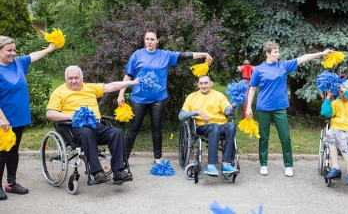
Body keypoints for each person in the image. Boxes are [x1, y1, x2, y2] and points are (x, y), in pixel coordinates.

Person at [118, 28, 212, 165]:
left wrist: (203, 54)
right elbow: (128, 75)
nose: (149, 42)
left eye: (152, 39)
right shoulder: (136, 55)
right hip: (138, 98)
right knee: (133, 130)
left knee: (157, 130)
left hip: (158, 98)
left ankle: (157, 158)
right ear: (144, 40)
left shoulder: (165, 55)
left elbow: (183, 55)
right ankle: (123, 159)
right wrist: (121, 93)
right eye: (147, 39)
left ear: (157, 41)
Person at [246, 41, 334, 177]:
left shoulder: (283, 66)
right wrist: (248, 108)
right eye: (275, 52)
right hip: (263, 107)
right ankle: (263, 164)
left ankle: (288, 166)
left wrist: (322, 53)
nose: (278, 54)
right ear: (267, 53)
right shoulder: (259, 69)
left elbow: (304, 58)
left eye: (278, 51)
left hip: (280, 107)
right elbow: (252, 88)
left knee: (285, 137)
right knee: (263, 137)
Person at [46, 66, 138, 184]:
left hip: (95, 125)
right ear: (65, 79)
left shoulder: (90, 87)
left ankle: (119, 171)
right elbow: (50, 113)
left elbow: (111, 86)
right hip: (73, 127)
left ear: (82, 78)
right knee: (86, 133)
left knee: (116, 133)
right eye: (70, 78)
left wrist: (132, 82)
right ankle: (97, 172)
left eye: (76, 78)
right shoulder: (59, 92)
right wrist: (71, 116)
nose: (73, 81)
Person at [0, 35, 56, 200]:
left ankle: (11, 184)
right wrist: (2, 119)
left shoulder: (18, 63)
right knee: (1, 152)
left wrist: (49, 49)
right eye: (9, 50)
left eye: (14, 50)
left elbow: (33, 56)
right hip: (3, 119)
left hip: (18, 116)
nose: (13, 53)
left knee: (13, 151)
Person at [178, 75, 238, 176]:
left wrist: (233, 107)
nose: (203, 85)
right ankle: (211, 165)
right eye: (201, 83)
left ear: (211, 84)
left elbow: (227, 110)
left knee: (231, 125)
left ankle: (226, 164)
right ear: (198, 85)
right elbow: (181, 116)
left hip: (220, 125)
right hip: (202, 127)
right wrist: (197, 112)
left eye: (206, 83)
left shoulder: (219, 95)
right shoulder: (192, 97)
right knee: (214, 127)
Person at [320, 79, 348, 185]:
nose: (343, 94)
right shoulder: (336, 103)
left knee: (342, 138)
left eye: (346, 91)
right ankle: (336, 168)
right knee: (330, 133)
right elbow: (325, 112)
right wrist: (328, 96)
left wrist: (346, 90)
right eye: (341, 91)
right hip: (338, 131)